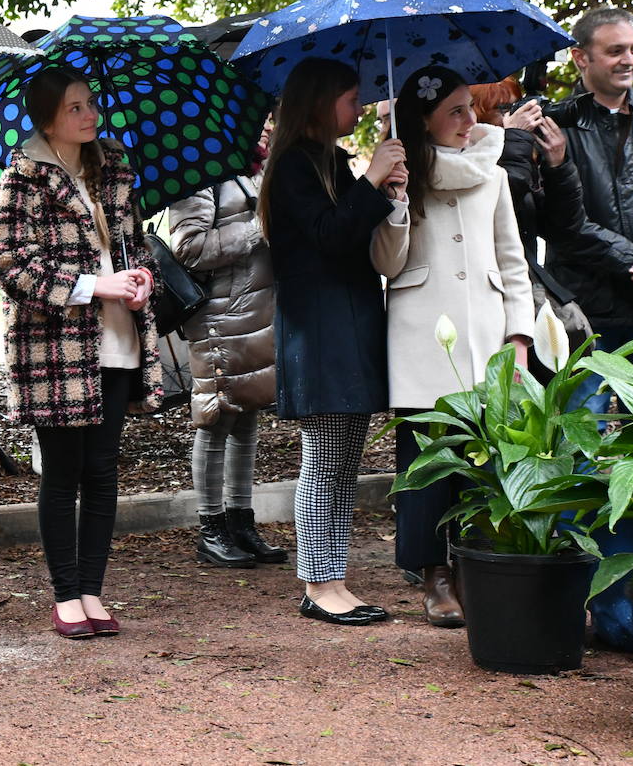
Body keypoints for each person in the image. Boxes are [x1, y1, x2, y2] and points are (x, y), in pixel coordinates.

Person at [0, 66, 162, 640]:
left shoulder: (113, 168)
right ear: (47, 118)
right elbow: (8, 263)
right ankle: (66, 595)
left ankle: (92, 590)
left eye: (91, 104)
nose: (90, 115)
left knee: (103, 471)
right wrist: (92, 286)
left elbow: (137, 244)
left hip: (117, 337)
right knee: (62, 473)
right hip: (54, 348)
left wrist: (141, 279)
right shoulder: (24, 177)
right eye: (76, 108)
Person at [372, 66, 534, 628]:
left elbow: (513, 261)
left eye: (470, 107)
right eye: (456, 112)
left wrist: (519, 338)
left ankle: (473, 564)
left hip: (487, 333)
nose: (471, 120)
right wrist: (393, 200)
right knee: (424, 460)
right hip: (422, 333)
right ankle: (432, 574)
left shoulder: (492, 169)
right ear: (424, 121)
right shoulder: (400, 171)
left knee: (481, 459)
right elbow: (387, 264)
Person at [259, 57, 406, 627]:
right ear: (320, 102)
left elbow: (354, 233)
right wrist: (371, 180)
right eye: (350, 97)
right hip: (319, 327)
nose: (360, 106)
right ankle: (318, 583)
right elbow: (328, 235)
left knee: (344, 458)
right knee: (325, 458)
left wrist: (383, 189)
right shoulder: (294, 165)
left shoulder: (329, 163)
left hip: (346, 320)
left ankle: (333, 577)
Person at [170, 173, 285, 568]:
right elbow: (188, 247)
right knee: (215, 419)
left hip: (255, 317)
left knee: (247, 416)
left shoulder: (252, 171)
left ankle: (241, 522)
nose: (267, 128)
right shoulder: (200, 176)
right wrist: (256, 228)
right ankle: (211, 529)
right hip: (219, 317)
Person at [544, 8, 633, 414]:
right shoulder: (553, 127)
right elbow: (560, 223)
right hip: (585, 309)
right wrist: (632, 260)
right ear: (581, 58)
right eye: (615, 50)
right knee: (582, 438)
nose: (629, 60)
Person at [472, 78, 589, 375]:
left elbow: (564, 230)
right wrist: (513, 140)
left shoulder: (520, 157)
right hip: (484, 299)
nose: (521, 114)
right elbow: (492, 208)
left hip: (522, 295)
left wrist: (557, 166)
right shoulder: (474, 161)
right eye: (504, 108)